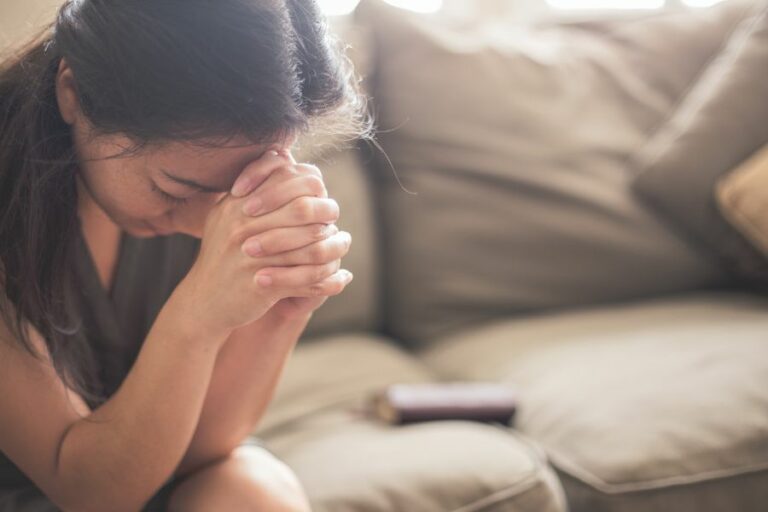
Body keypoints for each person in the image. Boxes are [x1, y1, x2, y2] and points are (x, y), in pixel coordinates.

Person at [0, 0, 370, 510]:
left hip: (139, 470)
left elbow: (203, 453)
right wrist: (198, 315)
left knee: (249, 488)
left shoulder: (209, 168)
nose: (206, 226)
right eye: (174, 189)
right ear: (73, 94)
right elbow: (88, 491)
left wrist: (282, 306)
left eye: (231, 191)